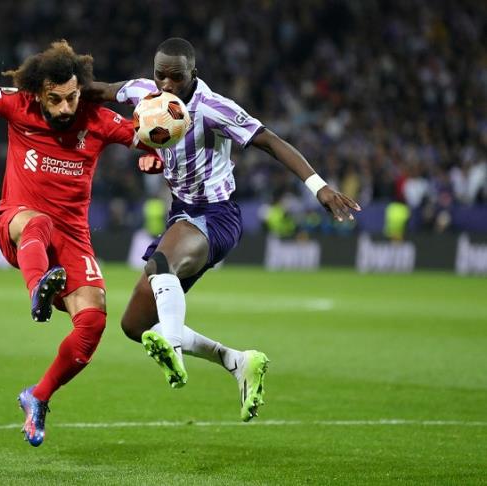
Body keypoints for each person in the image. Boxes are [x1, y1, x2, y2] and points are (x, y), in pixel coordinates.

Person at [86, 38, 361, 421]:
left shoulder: (214, 108)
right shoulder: (145, 94)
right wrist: (47, 92)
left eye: (176, 77)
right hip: (181, 214)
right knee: (135, 324)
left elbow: (269, 141)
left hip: (216, 216)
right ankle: (237, 362)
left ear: (193, 74)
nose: (166, 84)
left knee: (162, 264)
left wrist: (319, 187)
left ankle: (172, 348)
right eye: (160, 75)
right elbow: (101, 91)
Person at [0, 40, 152, 446]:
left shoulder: (96, 118)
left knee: (92, 323)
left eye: (72, 97)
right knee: (37, 223)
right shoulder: (17, 104)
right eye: (55, 100)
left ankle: (38, 396)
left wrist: (153, 156)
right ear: (39, 93)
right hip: (20, 223)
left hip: (72, 236)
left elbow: (149, 138)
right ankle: (38, 287)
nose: (65, 108)